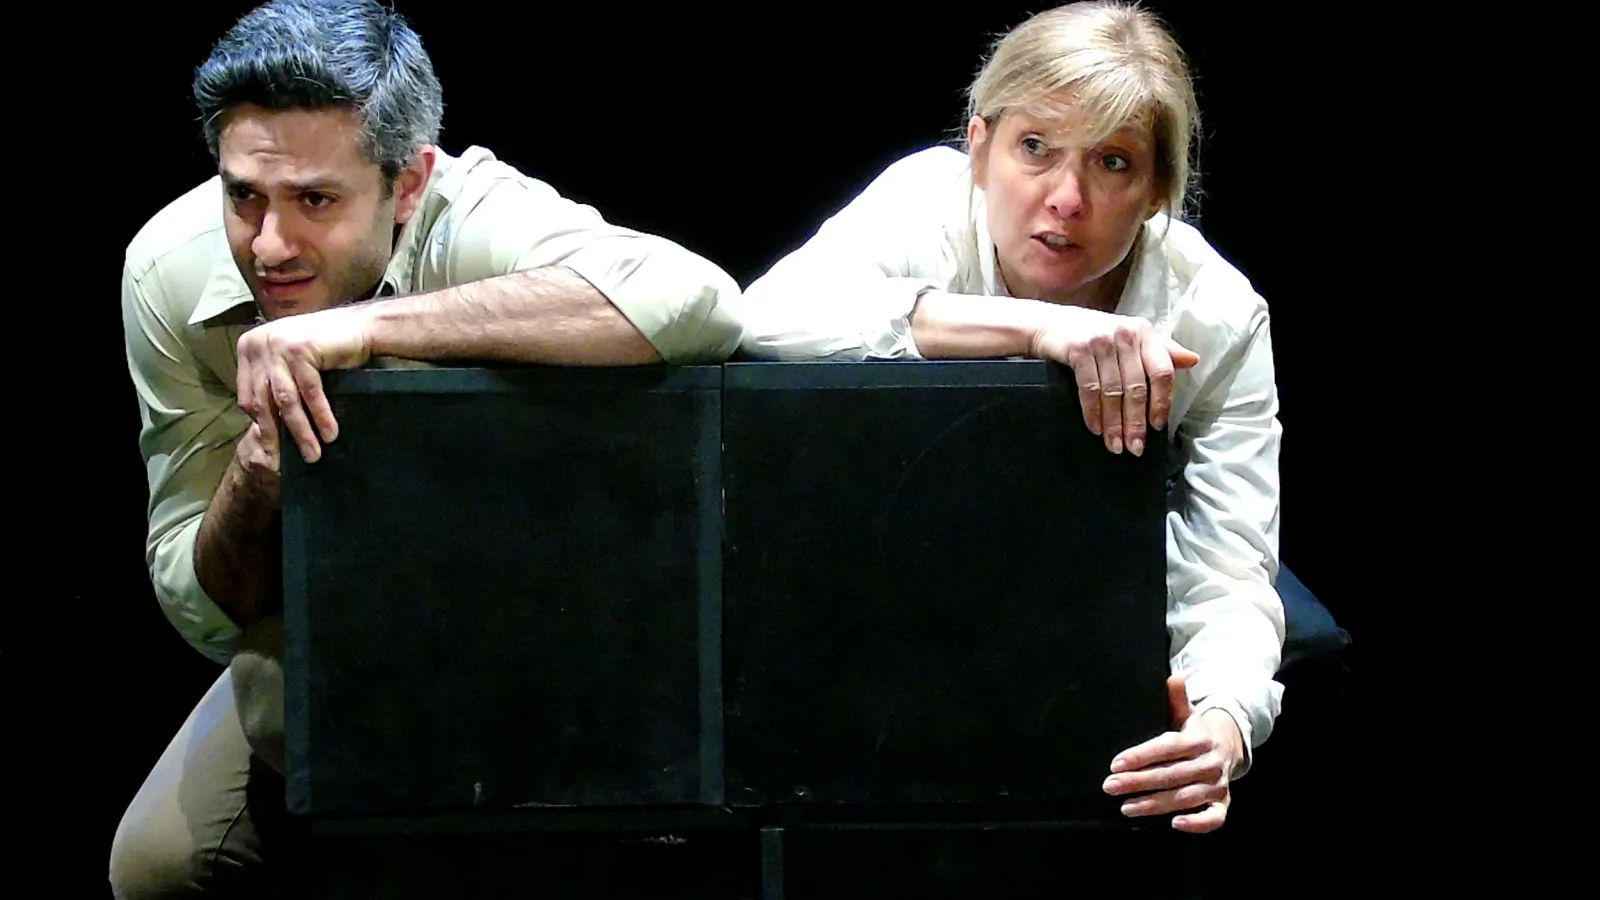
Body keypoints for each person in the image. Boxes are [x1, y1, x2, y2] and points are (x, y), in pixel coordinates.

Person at [110, 0, 744, 895]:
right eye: (243, 195)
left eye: (315, 200)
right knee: (159, 868)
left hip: (546, 590)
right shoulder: (170, 270)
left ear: (407, 184)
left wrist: (369, 330)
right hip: (330, 610)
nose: (270, 244)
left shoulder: (474, 217)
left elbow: (699, 302)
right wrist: (258, 473)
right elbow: (202, 607)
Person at [739, 0, 1283, 835]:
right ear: (979, 146)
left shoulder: (1216, 314)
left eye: (1112, 162)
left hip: (1114, 581)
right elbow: (767, 318)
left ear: (1157, 193)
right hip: (914, 556)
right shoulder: (925, 201)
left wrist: (1222, 724)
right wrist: (1034, 330)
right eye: (1035, 148)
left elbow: (1231, 566)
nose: (1066, 198)